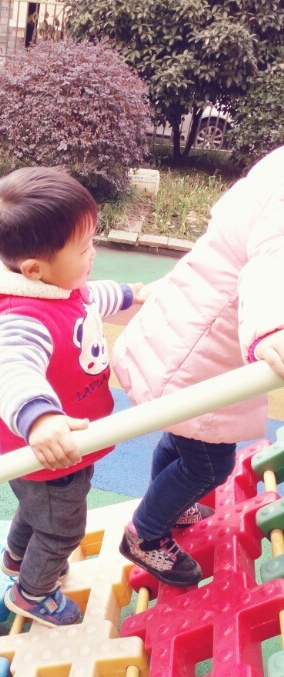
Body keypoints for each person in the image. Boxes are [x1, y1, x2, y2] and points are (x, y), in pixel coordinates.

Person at [0, 166, 144, 627]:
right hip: (51, 449)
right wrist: (40, 418)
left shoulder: (60, 289)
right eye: (83, 248)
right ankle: (33, 592)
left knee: (36, 508)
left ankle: (17, 557)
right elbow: (10, 368)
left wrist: (128, 294)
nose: (92, 254)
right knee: (63, 529)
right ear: (34, 270)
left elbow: (90, 300)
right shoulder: (20, 318)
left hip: (62, 448)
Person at [113, 145, 284, 587]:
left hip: (194, 326)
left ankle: (170, 509)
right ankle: (145, 534)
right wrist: (272, 328)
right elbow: (273, 260)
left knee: (184, 435)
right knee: (210, 464)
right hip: (204, 344)